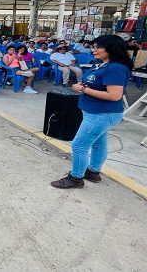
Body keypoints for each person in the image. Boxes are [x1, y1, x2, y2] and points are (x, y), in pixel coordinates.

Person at [51, 35, 133, 189]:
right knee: (98, 144)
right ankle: (93, 172)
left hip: (102, 113)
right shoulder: (102, 65)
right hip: (94, 112)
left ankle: (75, 178)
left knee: (79, 145)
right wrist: (85, 86)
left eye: (98, 47)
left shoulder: (115, 68)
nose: (93, 50)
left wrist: (83, 89)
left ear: (111, 49)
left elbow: (114, 95)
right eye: (93, 47)